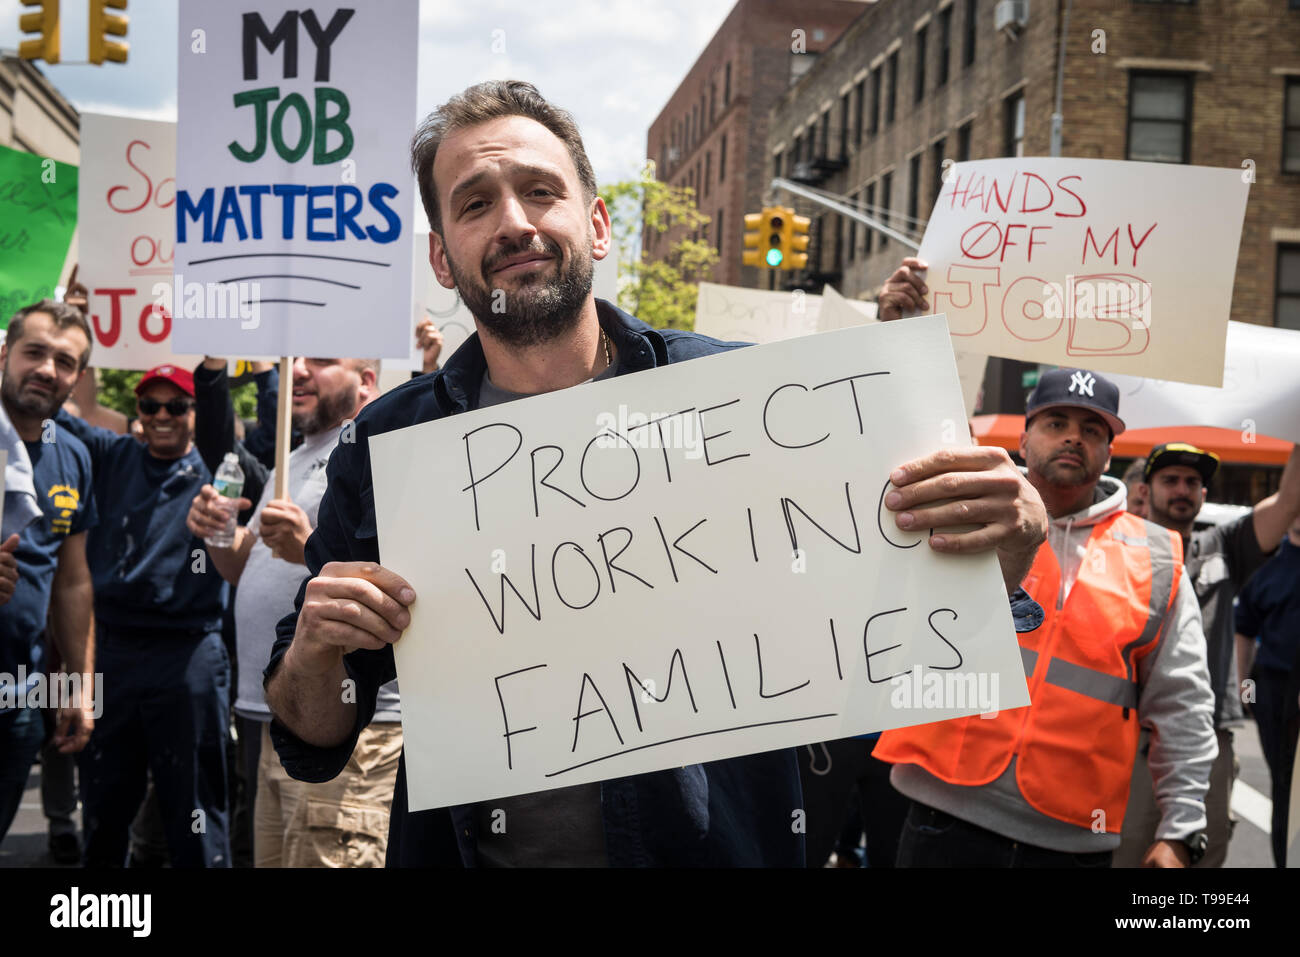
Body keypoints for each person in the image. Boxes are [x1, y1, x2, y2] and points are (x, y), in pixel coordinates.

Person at [261, 81, 1048, 867]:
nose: (514, 222)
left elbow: (901, 649)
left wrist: (1001, 555)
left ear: (597, 226)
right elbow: (319, 733)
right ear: (441, 255)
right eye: (474, 205)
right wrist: (316, 653)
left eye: (541, 191)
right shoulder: (390, 444)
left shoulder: (746, 401)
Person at [873, 258, 1217, 868]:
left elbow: (1183, 704)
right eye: (1056, 422)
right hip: (941, 817)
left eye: (1091, 429)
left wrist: (1182, 829)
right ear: (1025, 435)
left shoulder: (1158, 556)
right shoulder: (964, 497)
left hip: (1072, 840)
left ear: (1111, 450)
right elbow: (889, 444)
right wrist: (897, 337)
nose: (1072, 438)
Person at [186, 355, 403, 867]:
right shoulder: (294, 458)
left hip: (347, 734)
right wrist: (217, 530)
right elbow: (245, 568)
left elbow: (393, 586)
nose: (298, 370)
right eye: (296, 358)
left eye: (323, 360)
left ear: (366, 381)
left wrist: (306, 544)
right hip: (280, 715)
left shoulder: (379, 454)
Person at [58, 363, 231, 867]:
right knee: (104, 807)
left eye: (176, 406)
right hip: (113, 652)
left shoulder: (217, 465)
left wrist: (216, 367)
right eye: (149, 406)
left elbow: (225, 411)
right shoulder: (115, 456)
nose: (162, 416)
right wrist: (75, 341)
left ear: (196, 412)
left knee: (195, 810)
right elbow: (69, 411)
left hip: (189, 654)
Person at [1114, 440, 1300, 867]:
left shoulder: (1224, 547)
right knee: (1122, 855)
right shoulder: (1121, 549)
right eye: (1171, 480)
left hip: (1208, 743)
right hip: (1128, 741)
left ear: (1204, 494)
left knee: (1197, 861)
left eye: (1193, 482)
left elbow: (1290, 499)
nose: (1182, 489)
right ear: (1146, 490)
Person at [0, 301, 97, 849]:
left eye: (64, 361)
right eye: (34, 352)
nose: (47, 369)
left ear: (77, 378)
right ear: (4, 354)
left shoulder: (74, 456)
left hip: (18, 700)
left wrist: (80, 689)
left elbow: (73, 582)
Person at [1235, 515, 1300, 866]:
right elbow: (1243, 629)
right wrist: (1245, 691)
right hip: (1273, 693)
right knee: (1285, 786)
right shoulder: (1267, 569)